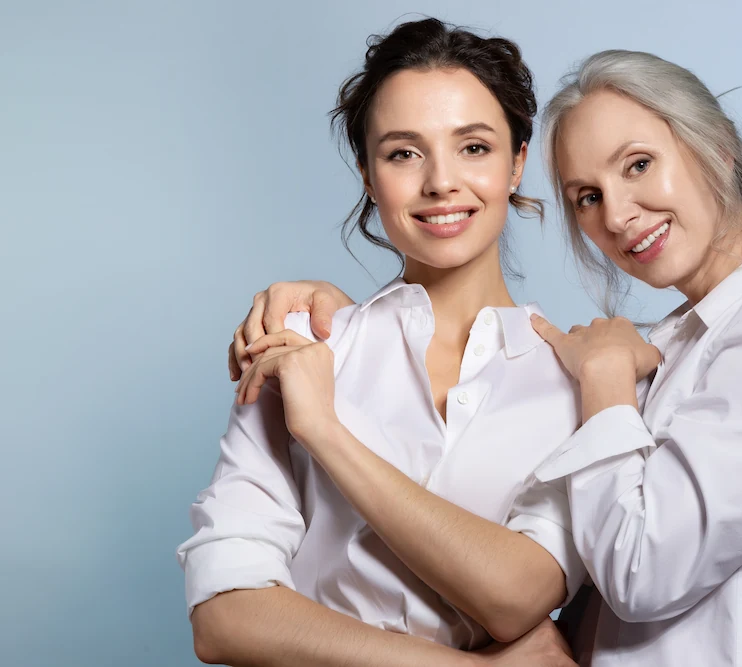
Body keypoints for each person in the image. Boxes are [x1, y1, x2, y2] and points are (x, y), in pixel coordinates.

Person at [236, 50, 742, 666]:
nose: (620, 214)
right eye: (587, 195)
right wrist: (353, 325)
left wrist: (604, 379)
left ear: (718, 147)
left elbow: (642, 571)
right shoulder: (678, 340)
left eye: (638, 164)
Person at [178, 19, 584, 667]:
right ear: (369, 176)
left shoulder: (580, 380)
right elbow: (225, 613)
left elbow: (518, 595)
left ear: (517, 161)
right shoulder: (301, 348)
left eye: (473, 147)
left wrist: (326, 430)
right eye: (403, 153)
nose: (441, 182)